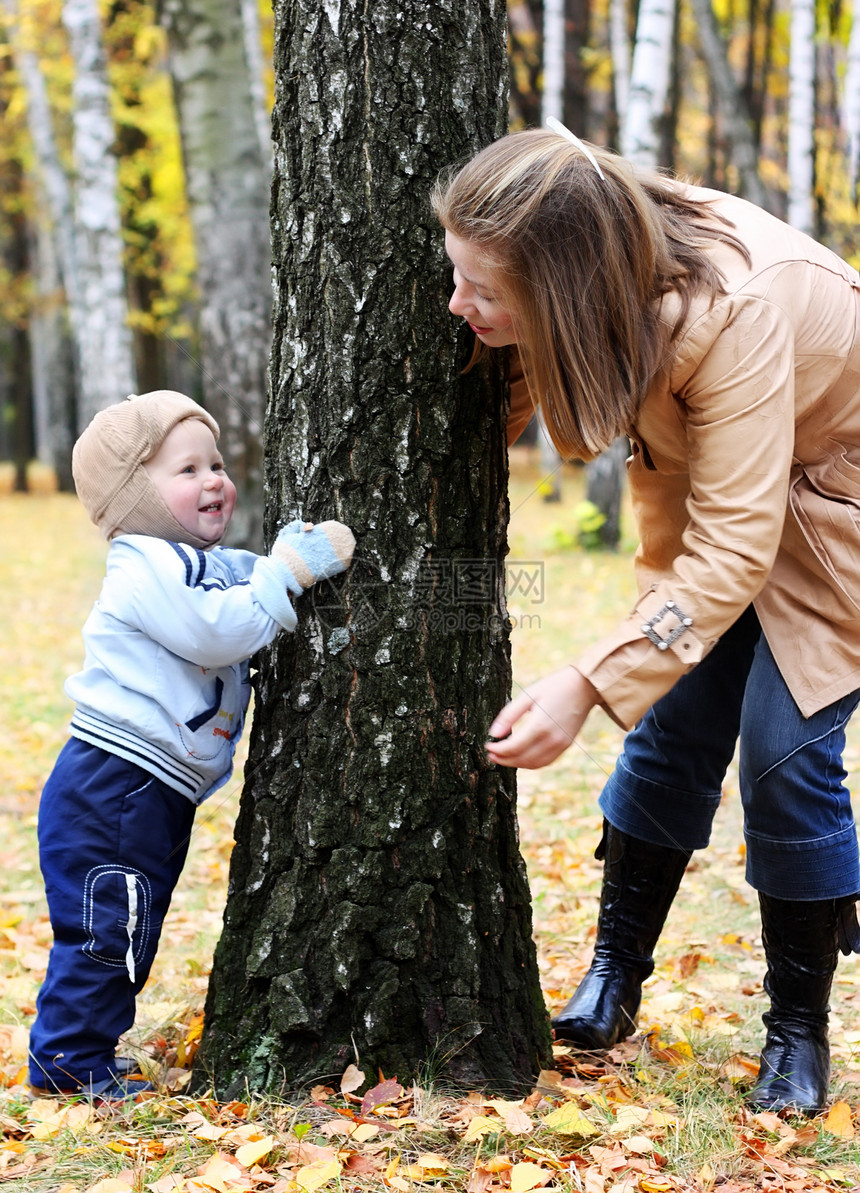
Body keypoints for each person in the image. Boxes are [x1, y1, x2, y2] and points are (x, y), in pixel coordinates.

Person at [433, 126, 860, 1116]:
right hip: (727, 524)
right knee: (667, 735)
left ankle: (797, 1031)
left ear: (561, 284)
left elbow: (734, 548)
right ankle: (612, 976)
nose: (457, 306)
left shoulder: (736, 307)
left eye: (479, 290)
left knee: (783, 756)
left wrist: (584, 679)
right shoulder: (597, 273)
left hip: (832, 523)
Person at [28, 390, 355, 1102]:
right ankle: (68, 1058)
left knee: (131, 923)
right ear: (134, 495)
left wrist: (279, 561)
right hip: (113, 785)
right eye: (187, 470)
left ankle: (82, 1046)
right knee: (109, 925)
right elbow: (218, 630)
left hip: (146, 789)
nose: (214, 479)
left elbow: (239, 578)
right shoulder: (143, 564)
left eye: (216, 462)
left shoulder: (191, 561)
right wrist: (284, 574)